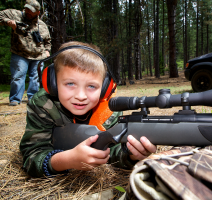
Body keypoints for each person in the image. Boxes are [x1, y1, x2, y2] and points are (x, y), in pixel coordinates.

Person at [20, 41, 157, 178]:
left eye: (91, 86)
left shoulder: (110, 110)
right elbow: (32, 157)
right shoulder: (43, 104)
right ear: (52, 83)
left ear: (105, 88)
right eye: (70, 83)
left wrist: (131, 154)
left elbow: (113, 151)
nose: (80, 96)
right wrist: (67, 160)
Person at [0, 0, 51, 106]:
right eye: (27, 9)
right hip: (20, 53)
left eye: (31, 11)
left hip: (38, 55)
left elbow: (48, 41)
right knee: (18, 75)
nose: (28, 12)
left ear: (37, 13)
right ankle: (15, 99)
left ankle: (33, 98)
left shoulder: (42, 25)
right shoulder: (15, 15)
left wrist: (47, 51)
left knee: (35, 78)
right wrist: (7, 22)